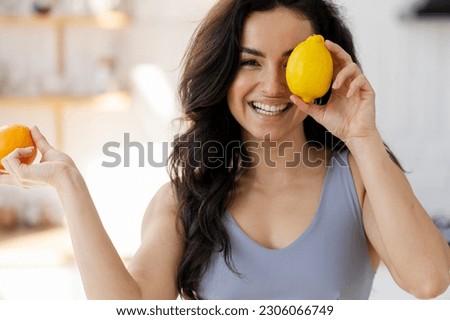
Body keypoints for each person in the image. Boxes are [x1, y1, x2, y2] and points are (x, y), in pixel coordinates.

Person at [1, 0, 449, 300]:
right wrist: (68, 182)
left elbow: (429, 280)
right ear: (222, 73)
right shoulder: (183, 199)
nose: (272, 86)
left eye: (291, 63)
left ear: (326, 71)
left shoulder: (360, 178)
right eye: (249, 61)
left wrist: (363, 137)